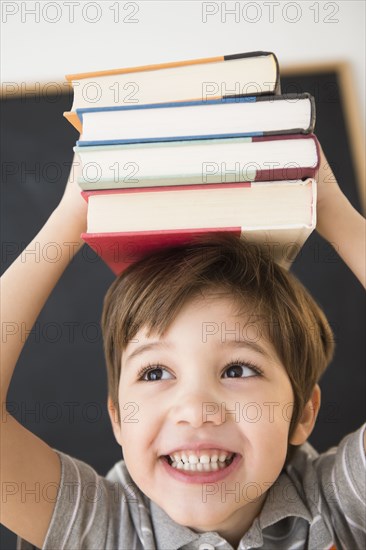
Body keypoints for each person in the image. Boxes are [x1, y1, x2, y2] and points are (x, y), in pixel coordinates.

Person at [1, 146, 365, 550]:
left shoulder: (337, 507)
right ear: (119, 418)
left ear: (303, 412)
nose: (195, 411)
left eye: (238, 370)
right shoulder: (105, 528)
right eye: (155, 373)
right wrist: (70, 219)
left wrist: (329, 206)